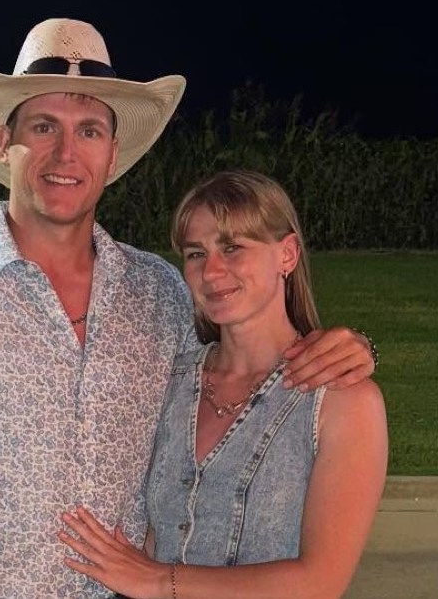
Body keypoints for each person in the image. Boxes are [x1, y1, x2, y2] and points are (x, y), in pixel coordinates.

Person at [0, 19, 378, 599]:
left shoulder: (159, 291)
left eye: (89, 130)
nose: (66, 153)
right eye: (44, 126)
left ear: (112, 153)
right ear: (4, 140)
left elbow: (242, 363)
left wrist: (352, 348)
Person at [58, 170, 389, 599]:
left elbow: (319, 582)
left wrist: (158, 580)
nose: (212, 271)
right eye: (196, 253)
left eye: (232, 247)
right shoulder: (170, 381)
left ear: (287, 254)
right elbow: (154, 530)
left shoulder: (343, 402)